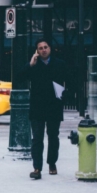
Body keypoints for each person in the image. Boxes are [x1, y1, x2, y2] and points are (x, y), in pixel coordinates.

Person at [24, 39, 67, 180]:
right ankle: (37, 168)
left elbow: (71, 80)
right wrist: (30, 65)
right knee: (37, 138)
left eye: (45, 47)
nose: (43, 50)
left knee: (53, 137)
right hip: (37, 107)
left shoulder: (60, 64)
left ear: (50, 48)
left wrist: (63, 95)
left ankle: (52, 163)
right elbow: (20, 77)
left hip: (54, 106)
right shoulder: (34, 65)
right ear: (37, 51)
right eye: (40, 48)